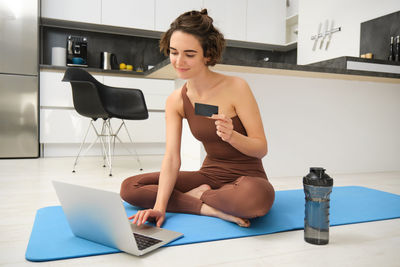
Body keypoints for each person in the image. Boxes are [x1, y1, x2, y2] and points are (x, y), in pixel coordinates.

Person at [120, 9, 275, 228]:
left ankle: (199, 197)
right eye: (174, 52)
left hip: (248, 178)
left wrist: (232, 136)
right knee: (130, 187)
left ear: (207, 55)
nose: (179, 61)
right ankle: (208, 207)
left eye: (189, 54)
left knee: (255, 200)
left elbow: (261, 148)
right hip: (209, 176)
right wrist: (159, 207)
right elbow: (172, 157)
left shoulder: (237, 87)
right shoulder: (176, 100)